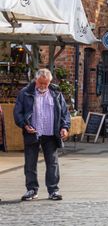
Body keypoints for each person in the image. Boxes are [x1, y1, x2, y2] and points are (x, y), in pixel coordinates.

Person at [14, 68, 70, 201]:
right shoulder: (25, 93)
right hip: (32, 133)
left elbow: (64, 113)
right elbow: (18, 112)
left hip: (51, 134)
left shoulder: (56, 92)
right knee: (30, 163)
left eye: (46, 83)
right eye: (41, 83)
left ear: (50, 81)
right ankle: (32, 190)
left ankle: (53, 190)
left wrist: (64, 127)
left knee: (52, 163)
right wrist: (25, 125)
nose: (43, 86)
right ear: (35, 80)